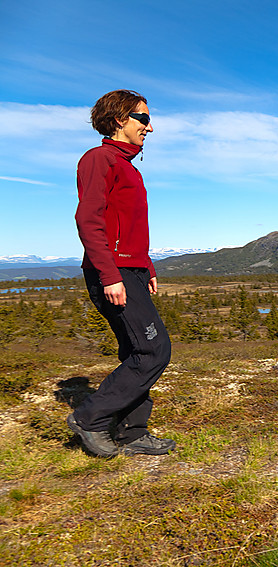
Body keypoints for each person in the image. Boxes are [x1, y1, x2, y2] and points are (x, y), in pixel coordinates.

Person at [67, 90, 174, 457]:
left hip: (131, 270)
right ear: (119, 120)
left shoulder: (126, 165)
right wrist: (111, 274)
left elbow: (128, 227)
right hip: (113, 272)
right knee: (153, 350)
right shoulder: (100, 159)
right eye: (143, 118)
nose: (150, 127)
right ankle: (89, 419)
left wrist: (147, 267)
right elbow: (88, 219)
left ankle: (132, 432)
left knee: (135, 348)